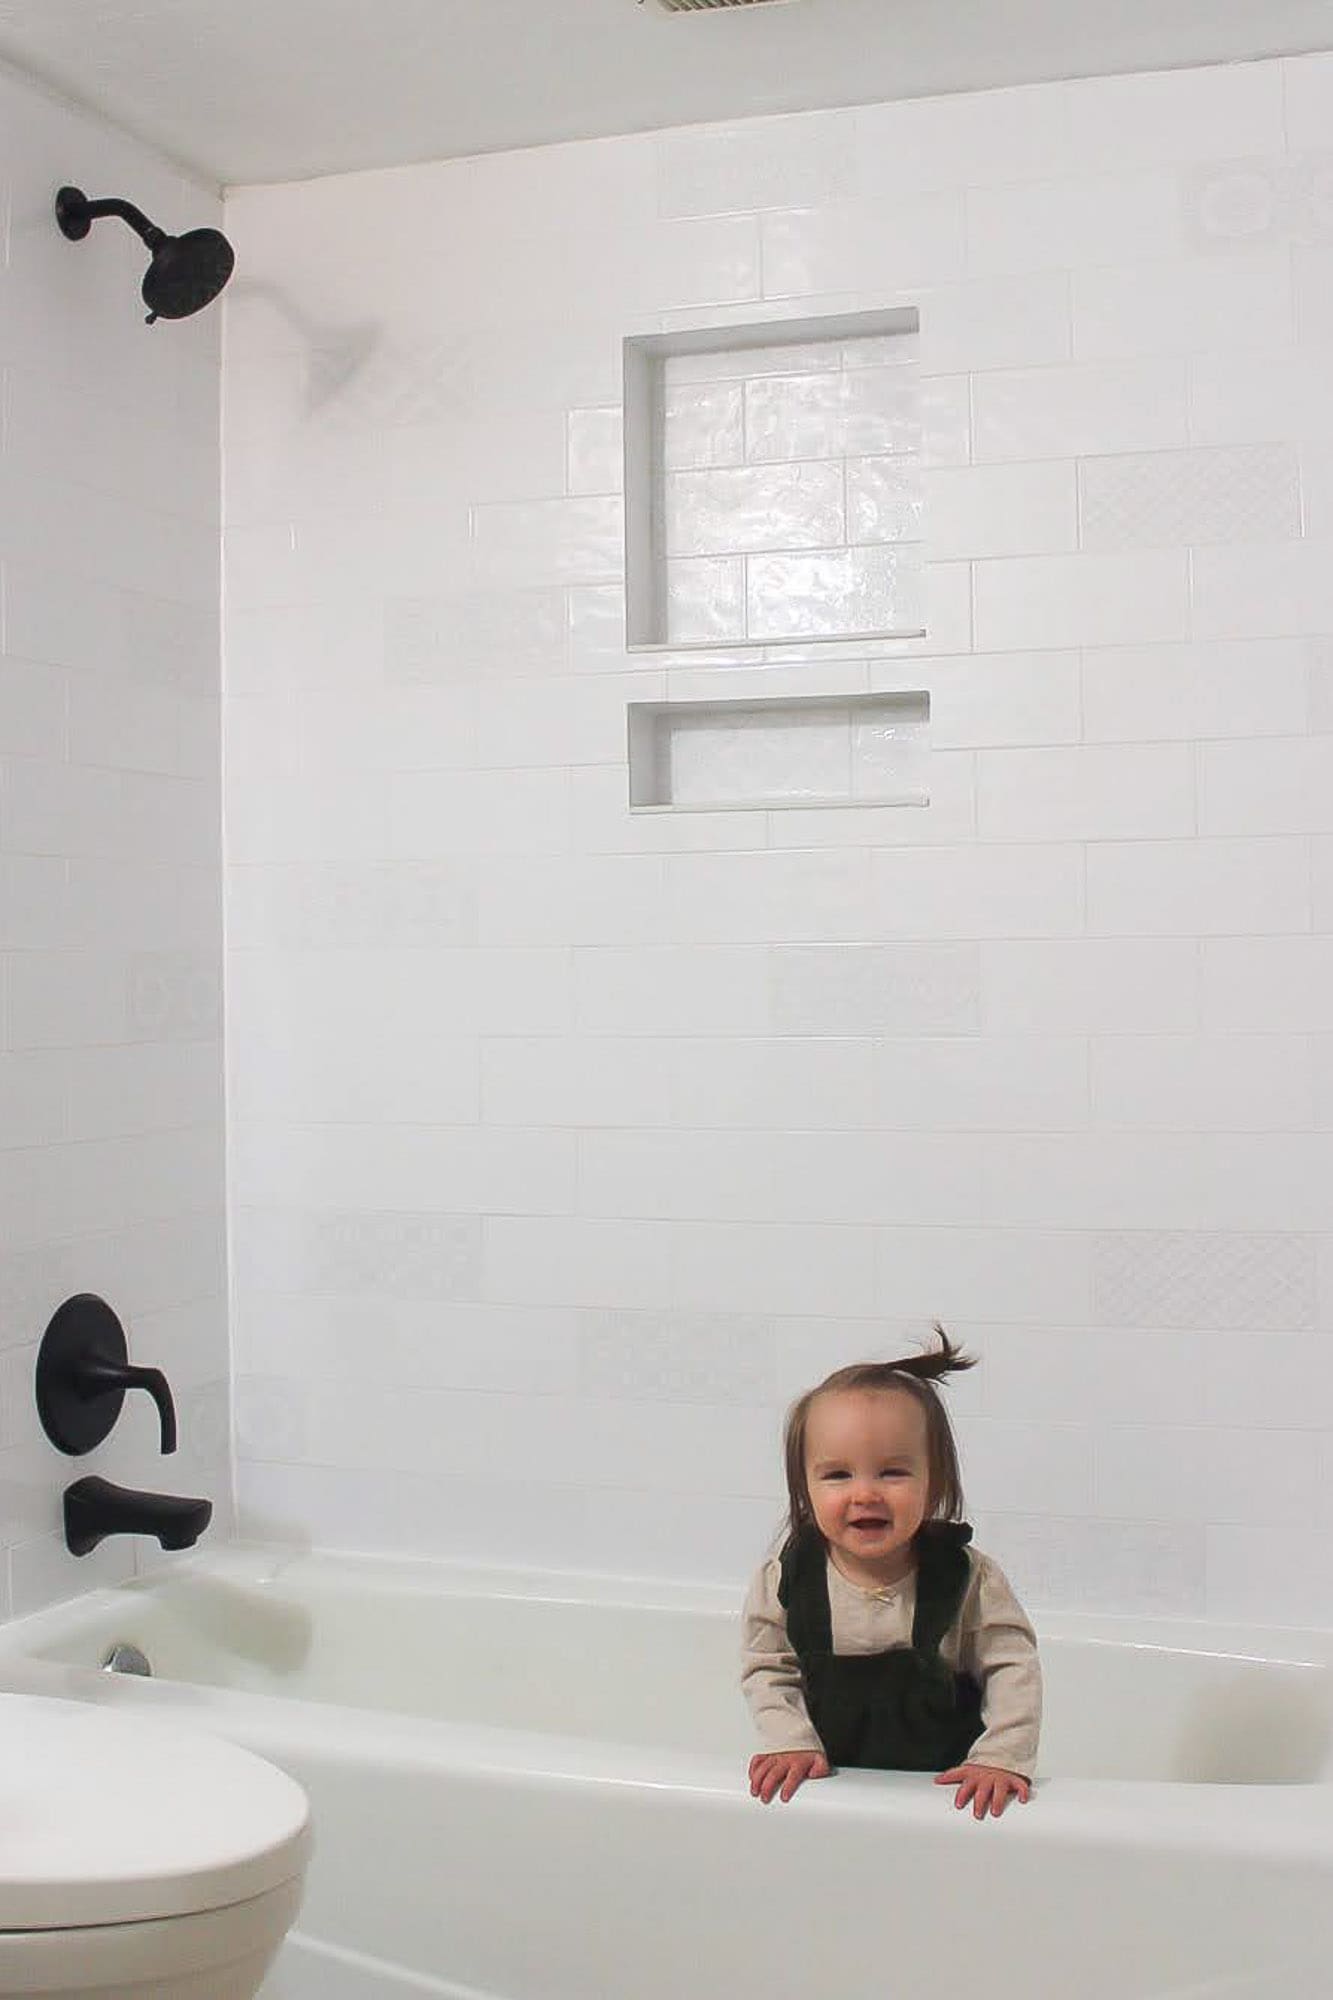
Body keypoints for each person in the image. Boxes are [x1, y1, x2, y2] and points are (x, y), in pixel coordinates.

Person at [741, 1328, 1041, 1819]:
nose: (865, 1494)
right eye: (838, 1474)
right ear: (804, 1490)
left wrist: (1001, 1756)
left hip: (945, 1793)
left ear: (935, 1482)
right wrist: (788, 1740)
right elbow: (768, 1666)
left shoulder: (966, 1579)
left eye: (892, 1472)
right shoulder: (786, 1580)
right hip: (832, 1788)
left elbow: (1012, 1666)